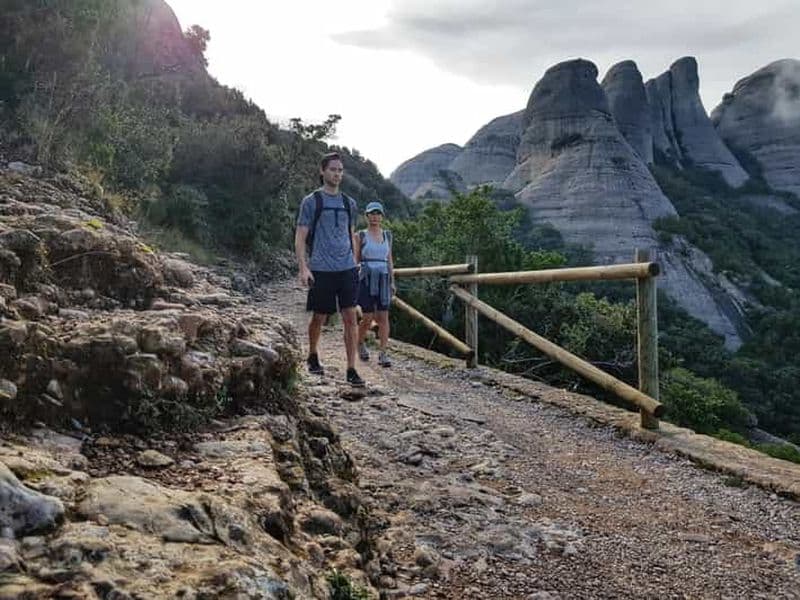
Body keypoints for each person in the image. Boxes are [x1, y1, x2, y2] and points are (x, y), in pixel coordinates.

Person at [295, 152, 365, 387]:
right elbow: (301, 235)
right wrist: (303, 267)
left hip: (346, 269)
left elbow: (351, 234)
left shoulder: (349, 203)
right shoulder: (311, 201)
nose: (337, 174)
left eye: (340, 170)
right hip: (322, 268)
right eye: (333, 169)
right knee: (319, 317)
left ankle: (351, 368)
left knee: (350, 318)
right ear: (322, 171)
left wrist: (355, 263)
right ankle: (313, 353)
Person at [355, 201, 395, 367]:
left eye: (378, 214)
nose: (375, 217)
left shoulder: (387, 236)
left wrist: (392, 281)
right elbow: (355, 260)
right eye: (372, 213)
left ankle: (383, 353)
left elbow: (389, 260)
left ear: (382, 216)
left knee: (384, 317)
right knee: (368, 317)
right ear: (366, 216)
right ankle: (360, 343)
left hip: (384, 279)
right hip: (366, 278)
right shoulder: (360, 236)